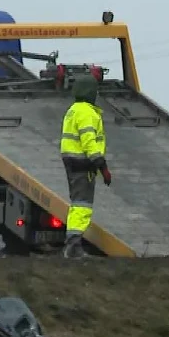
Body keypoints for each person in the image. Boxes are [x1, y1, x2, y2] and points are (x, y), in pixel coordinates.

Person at [60, 74, 111, 258]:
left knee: (78, 203)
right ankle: (73, 246)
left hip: (73, 162)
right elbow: (89, 141)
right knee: (82, 205)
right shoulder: (87, 113)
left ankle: (72, 244)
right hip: (83, 163)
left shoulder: (73, 110)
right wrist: (102, 166)